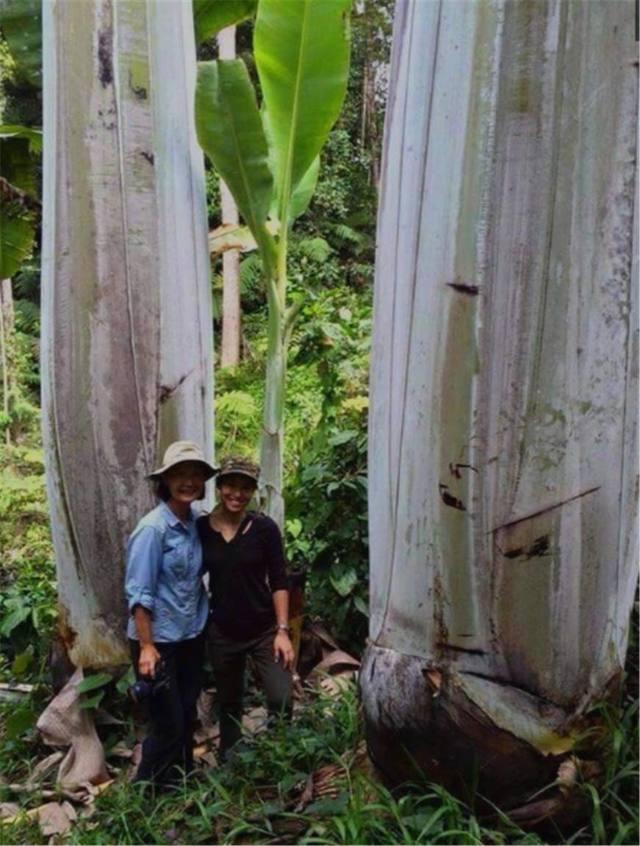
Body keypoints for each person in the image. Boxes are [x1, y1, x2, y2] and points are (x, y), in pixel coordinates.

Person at [124, 440, 216, 786]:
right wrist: (147, 647)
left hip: (190, 634)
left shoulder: (196, 522)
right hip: (158, 641)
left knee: (186, 712)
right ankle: (143, 796)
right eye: (180, 474)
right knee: (167, 722)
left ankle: (179, 782)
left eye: (195, 474)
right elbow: (139, 592)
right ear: (166, 482)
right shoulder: (153, 529)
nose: (188, 481)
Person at [197, 457, 294, 761]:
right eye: (230, 486)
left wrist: (282, 630)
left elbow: (279, 579)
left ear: (253, 491)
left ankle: (279, 757)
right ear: (219, 487)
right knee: (229, 704)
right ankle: (232, 766)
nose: (236, 494)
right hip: (223, 631)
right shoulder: (200, 528)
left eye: (244, 488)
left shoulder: (263, 528)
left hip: (264, 629)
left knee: (281, 696)